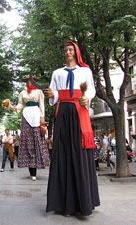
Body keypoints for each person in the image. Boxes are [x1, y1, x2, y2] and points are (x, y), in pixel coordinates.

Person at [44, 40, 100, 216]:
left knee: (79, 151)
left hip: (79, 110)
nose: (68, 52)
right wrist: (52, 95)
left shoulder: (85, 71)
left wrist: (87, 99)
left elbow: (91, 89)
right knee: (62, 153)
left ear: (76, 52)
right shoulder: (57, 73)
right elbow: (53, 95)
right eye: (66, 50)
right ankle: (63, 204)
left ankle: (82, 203)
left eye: (71, 50)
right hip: (62, 113)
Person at [10, 75, 50, 181]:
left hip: (36, 115)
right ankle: (30, 169)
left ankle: (35, 167)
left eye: (30, 81)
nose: (28, 82)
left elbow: (42, 105)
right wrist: (15, 108)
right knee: (27, 140)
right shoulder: (23, 93)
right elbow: (20, 104)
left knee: (36, 139)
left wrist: (42, 117)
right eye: (27, 81)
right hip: (26, 115)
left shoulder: (39, 92)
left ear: (34, 81)